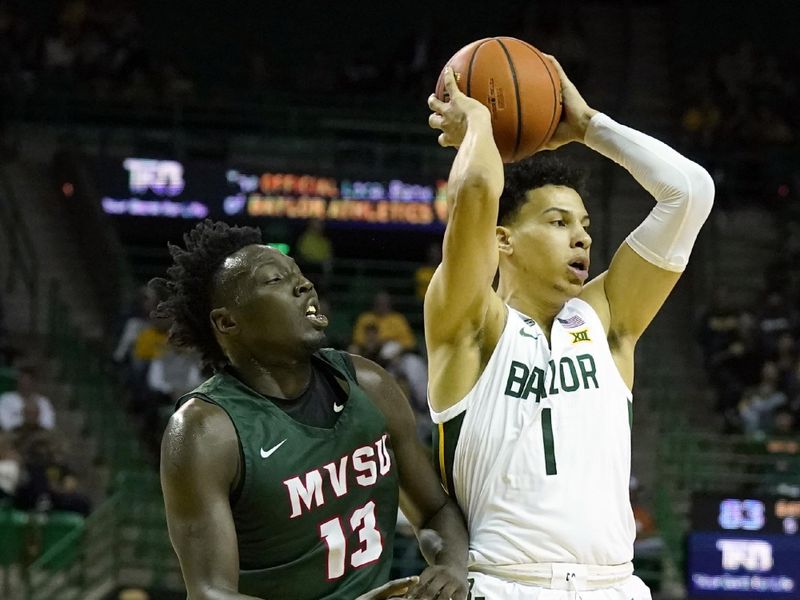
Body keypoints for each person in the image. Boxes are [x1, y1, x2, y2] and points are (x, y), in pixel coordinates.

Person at [424, 57, 714, 599]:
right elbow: (479, 192)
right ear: (502, 240)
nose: (581, 238)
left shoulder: (604, 321)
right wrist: (481, 123)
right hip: (507, 584)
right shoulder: (470, 324)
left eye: (584, 225)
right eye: (558, 223)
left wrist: (587, 127)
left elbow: (689, 194)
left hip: (615, 586)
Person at [152, 220, 468, 600]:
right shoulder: (205, 430)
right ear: (227, 321)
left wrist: (450, 567)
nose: (304, 285)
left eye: (299, 276)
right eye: (274, 281)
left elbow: (435, 511)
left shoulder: (368, 384)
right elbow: (209, 593)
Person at [351, 291, 416, 354]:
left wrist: (384, 342)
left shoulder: (398, 319)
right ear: (374, 304)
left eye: (384, 303)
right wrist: (369, 343)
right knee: (353, 349)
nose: (381, 306)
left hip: (390, 351)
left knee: (389, 349)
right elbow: (357, 337)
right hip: (366, 348)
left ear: (390, 304)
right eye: (379, 303)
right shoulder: (366, 318)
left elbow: (409, 342)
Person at [0, 365, 56, 432]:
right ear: (18, 381)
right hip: (13, 435)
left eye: (28, 380)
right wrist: (25, 418)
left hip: (38, 435)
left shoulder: (43, 401)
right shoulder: (6, 399)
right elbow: (5, 423)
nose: (25, 384)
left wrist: (33, 422)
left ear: (34, 383)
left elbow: (49, 424)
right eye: (23, 380)